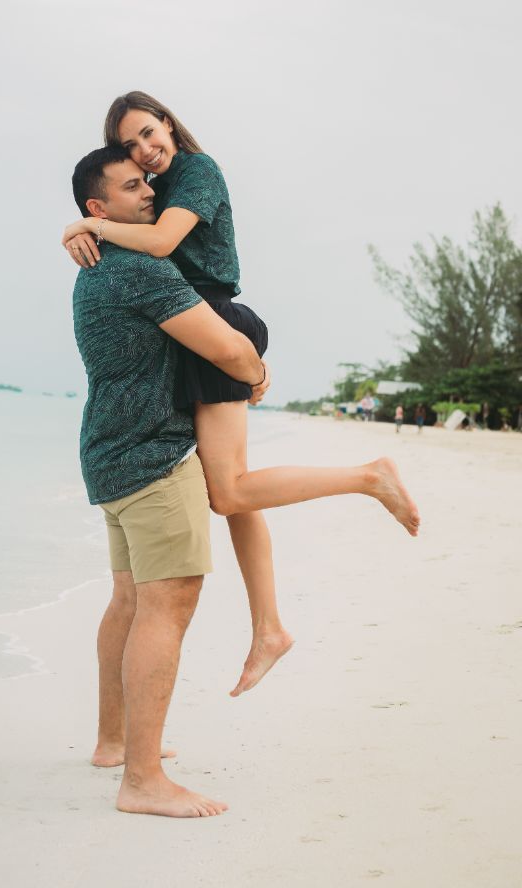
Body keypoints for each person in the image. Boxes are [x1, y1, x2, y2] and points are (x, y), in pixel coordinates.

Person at [64, 92, 421, 698]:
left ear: (170, 124)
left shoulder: (196, 173)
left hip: (212, 320)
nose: (147, 153)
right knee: (232, 489)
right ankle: (269, 627)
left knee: (227, 491)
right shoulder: (155, 189)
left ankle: (368, 477)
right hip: (194, 325)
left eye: (151, 133)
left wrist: (88, 224)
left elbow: (160, 244)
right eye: (132, 147)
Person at [72, 146, 272, 817]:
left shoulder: (95, 268)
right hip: (154, 460)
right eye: (132, 187)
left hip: (108, 454)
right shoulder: (137, 269)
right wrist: (254, 371)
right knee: (169, 602)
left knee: (129, 599)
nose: (149, 193)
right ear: (98, 210)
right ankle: (143, 780)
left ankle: (112, 742)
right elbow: (227, 348)